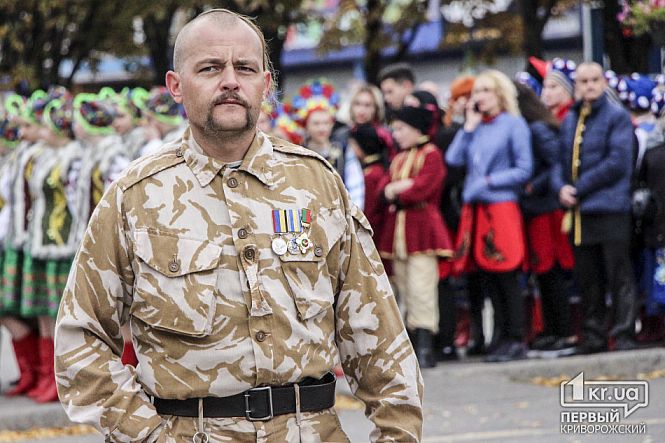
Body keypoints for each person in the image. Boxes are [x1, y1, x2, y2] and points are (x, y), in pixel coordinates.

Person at [54, 9, 423, 442]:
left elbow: (379, 334)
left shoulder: (316, 185)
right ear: (176, 85)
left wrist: (398, 435)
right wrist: (149, 435)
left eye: (245, 68)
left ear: (265, 84)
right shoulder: (134, 198)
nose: (230, 80)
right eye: (210, 68)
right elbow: (80, 342)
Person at [446, 69, 533, 363]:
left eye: (485, 91)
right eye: (476, 92)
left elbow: (524, 168)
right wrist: (468, 127)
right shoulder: (477, 127)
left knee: (506, 273)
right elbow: (453, 159)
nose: (479, 97)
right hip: (477, 211)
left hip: (501, 207)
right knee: (488, 276)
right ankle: (499, 337)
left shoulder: (514, 125)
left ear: (499, 94)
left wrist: (488, 181)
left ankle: (515, 337)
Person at [551, 62, 637, 354]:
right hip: (580, 213)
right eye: (583, 81)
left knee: (618, 274)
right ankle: (593, 335)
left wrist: (579, 187)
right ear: (576, 85)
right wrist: (560, 187)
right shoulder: (571, 119)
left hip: (610, 208)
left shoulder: (617, 116)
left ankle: (623, 333)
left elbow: (617, 162)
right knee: (588, 277)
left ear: (603, 82)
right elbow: (560, 161)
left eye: (594, 80)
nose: (589, 86)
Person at [378, 104, 453, 368]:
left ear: (416, 129)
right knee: (405, 288)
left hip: (423, 231)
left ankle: (425, 346)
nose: (396, 134)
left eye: (401, 129)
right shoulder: (399, 158)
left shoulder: (431, 154)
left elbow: (422, 189)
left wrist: (398, 190)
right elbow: (382, 189)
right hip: (399, 233)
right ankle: (410, 344)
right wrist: (397, 188)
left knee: (422, 288)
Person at [514, 82, 576, 358]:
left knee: (551, 272)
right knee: (543, 275)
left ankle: (562, 331)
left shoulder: (537, 128)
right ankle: (552, 330)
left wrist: (532, 187)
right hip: (535, 209)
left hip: (545, 210)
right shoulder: (529, 127)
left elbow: (556, 163)